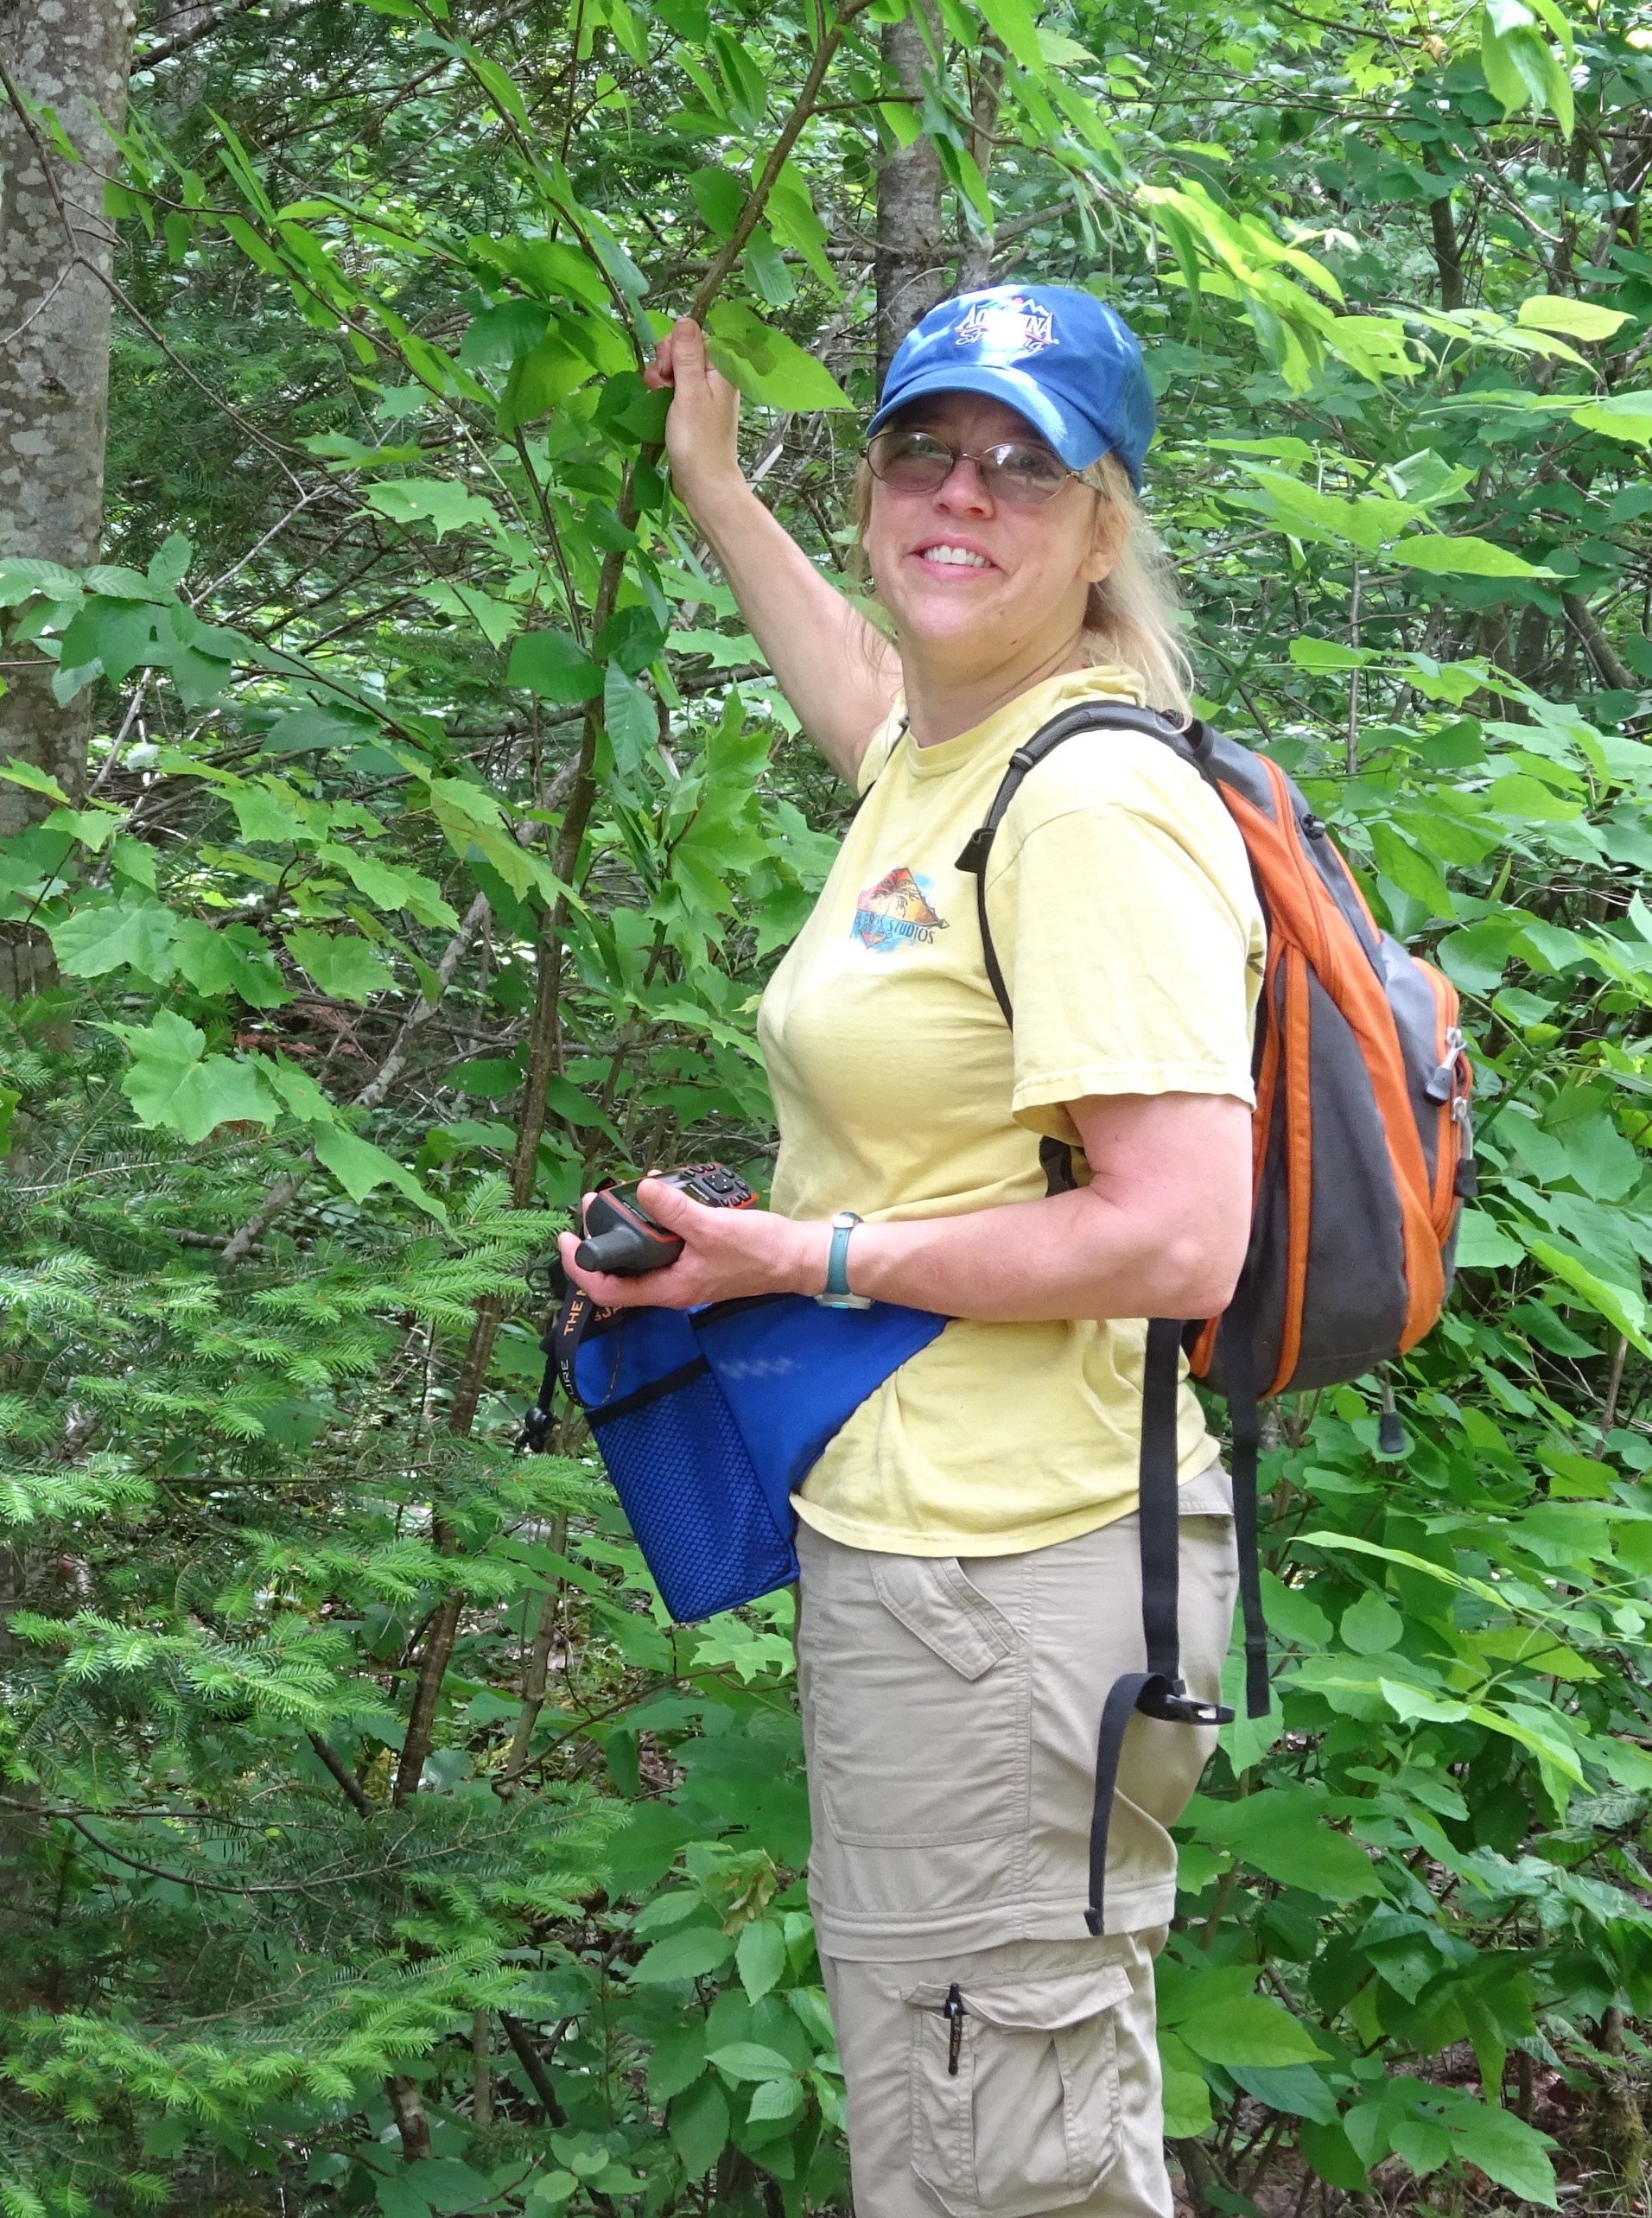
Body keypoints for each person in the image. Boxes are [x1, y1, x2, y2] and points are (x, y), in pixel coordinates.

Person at [561, 289, 1265, 2218]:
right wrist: (715, 489)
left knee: (989, 2157)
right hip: (946, 1560)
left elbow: (1185, 1235)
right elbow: (866, 696)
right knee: (997, 2108)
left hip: (1013, 1573)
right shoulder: (951, 756)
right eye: (923, 454)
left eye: (1025, 466)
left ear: (1107, 524)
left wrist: (808, 1252)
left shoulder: (1097, 801)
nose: (964, 496)